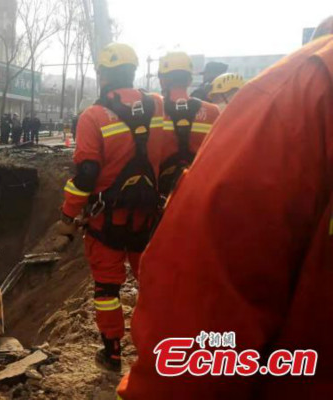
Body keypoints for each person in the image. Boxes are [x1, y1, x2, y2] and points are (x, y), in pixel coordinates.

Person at [117, 29, 333, 400]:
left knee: (114, 285)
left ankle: (109, 346)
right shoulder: (218, 112)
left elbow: (205, 309)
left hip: (163, 213)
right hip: (177, 213)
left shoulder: (299, 90)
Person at [56, 42, 165, 372]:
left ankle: (113, 353)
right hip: (150, 219)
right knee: (153, 285)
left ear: (103, 76)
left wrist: (67, 216)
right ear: (133, 72)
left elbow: (87, 174)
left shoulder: (93, 116)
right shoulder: (158, 106)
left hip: (107, 222)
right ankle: (155, 352)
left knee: (107, 289)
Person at [155, 51, 220, 197]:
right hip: (199, 194)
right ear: (189, 80)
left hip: (162, 197)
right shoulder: (213, 112)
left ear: (163, 80)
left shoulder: (154, 110)